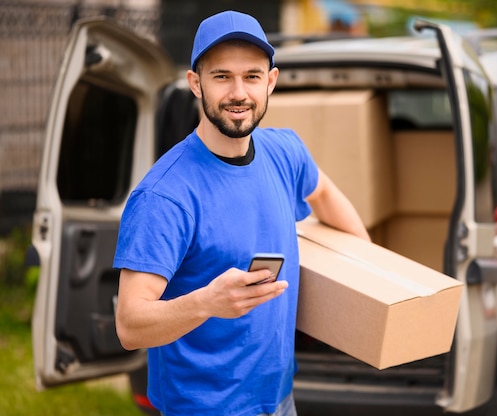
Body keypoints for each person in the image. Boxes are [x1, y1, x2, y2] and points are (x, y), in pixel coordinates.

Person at [113, 10, 370, 416]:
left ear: (271, 81)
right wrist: (207, 302)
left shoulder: (285, 151)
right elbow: (129, 325)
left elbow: (324, 193)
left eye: (251, 76)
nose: (238, 93)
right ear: (195, 84)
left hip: (280, 399)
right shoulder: (165, 196)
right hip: (205, 408)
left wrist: (367, 267)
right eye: (221, 77)